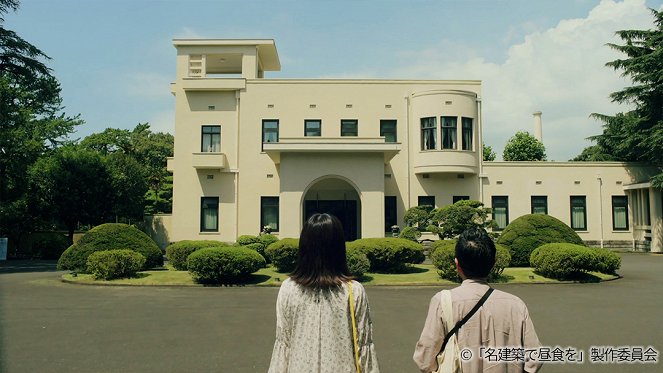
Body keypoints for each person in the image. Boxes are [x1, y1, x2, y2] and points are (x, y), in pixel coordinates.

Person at [413, 228, 542, 372]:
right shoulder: (515, 304)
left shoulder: (443, 302)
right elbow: (535, 358)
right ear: (493, 264)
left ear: (457, 264)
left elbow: (425, 360)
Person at [268, 213, 380, 373]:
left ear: (304, 246)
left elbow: (283, 344)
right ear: (339, 248)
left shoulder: (288, 289)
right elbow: (363, 345)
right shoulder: (353, 291)